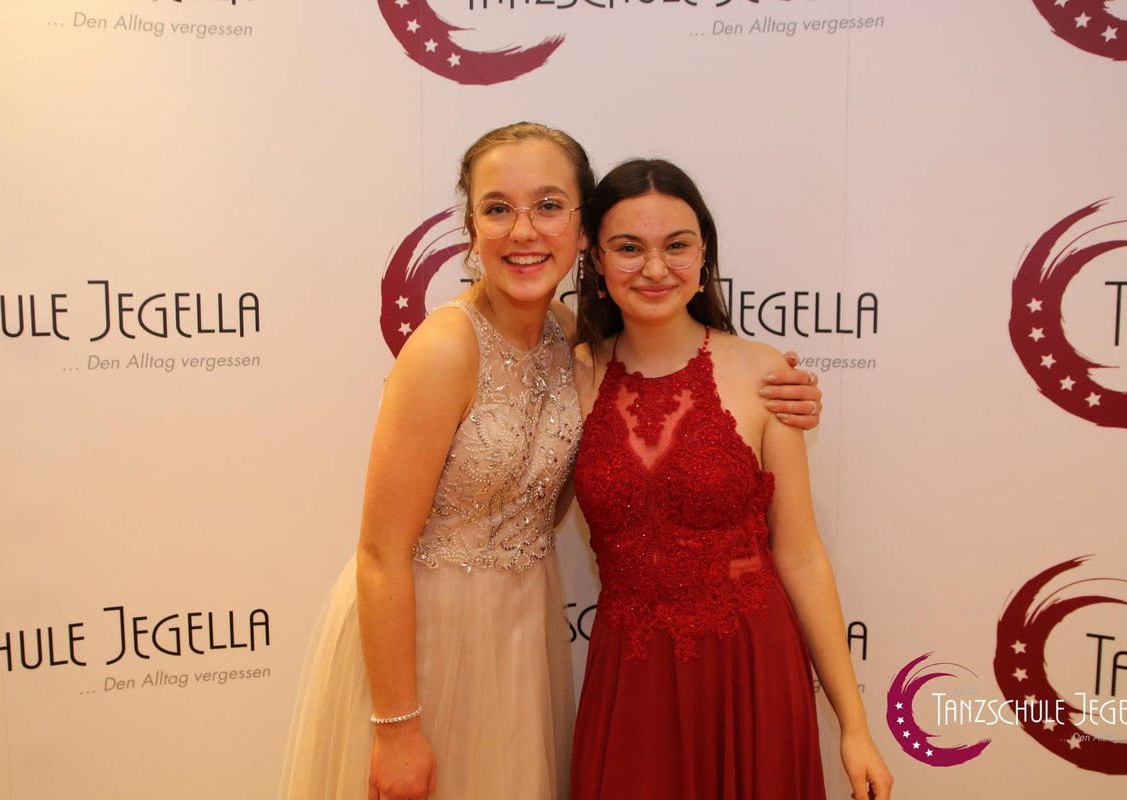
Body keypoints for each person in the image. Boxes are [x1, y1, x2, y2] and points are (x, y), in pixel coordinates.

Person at [278, 123, 825, 800]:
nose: (524, 230)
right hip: (422, 639)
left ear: (581, 228)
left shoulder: (571, 343)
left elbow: (663, 407)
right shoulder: (444, 348)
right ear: (471, 229)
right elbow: (379, 554)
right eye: (497, 208)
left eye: (547, 205)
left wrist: (783, 395)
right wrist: (395, 729)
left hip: (520, 633)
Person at [570, 159, 892, 800]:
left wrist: (854, 727)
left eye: (677, 245)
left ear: (704, 256)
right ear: (597, 261)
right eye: (629, 247)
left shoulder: (764, 373)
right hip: (629, 676)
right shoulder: (571, 373)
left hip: (749, 665)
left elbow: (801, 554)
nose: (655, 268)